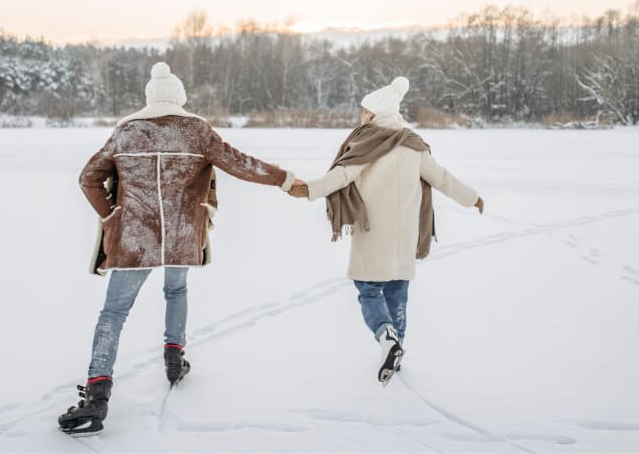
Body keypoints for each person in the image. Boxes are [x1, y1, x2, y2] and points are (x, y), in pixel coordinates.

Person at [58, 62, 302, 436]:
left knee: (113, 313)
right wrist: (284, 179)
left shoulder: (127, 132)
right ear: (179, 98)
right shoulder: (196, 131)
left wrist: (113, 216)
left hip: (134, 238)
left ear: (149, 99)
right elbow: (241, 165)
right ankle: (175, 356)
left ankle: (96, 395)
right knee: (176, 290)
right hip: (182, 233)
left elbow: (88, 178)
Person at [288, 76, 484, 386]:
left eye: (364, 111)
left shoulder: (368, 143)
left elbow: (341, 175)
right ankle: (397, 350)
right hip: (406, 233)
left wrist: (309, 189)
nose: (361, 115)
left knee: (368, 289)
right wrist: (472, 198)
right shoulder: (414, 146)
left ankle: (385, 335)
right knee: (398, 294)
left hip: (373, 231)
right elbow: (442, 178)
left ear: (375, 113)